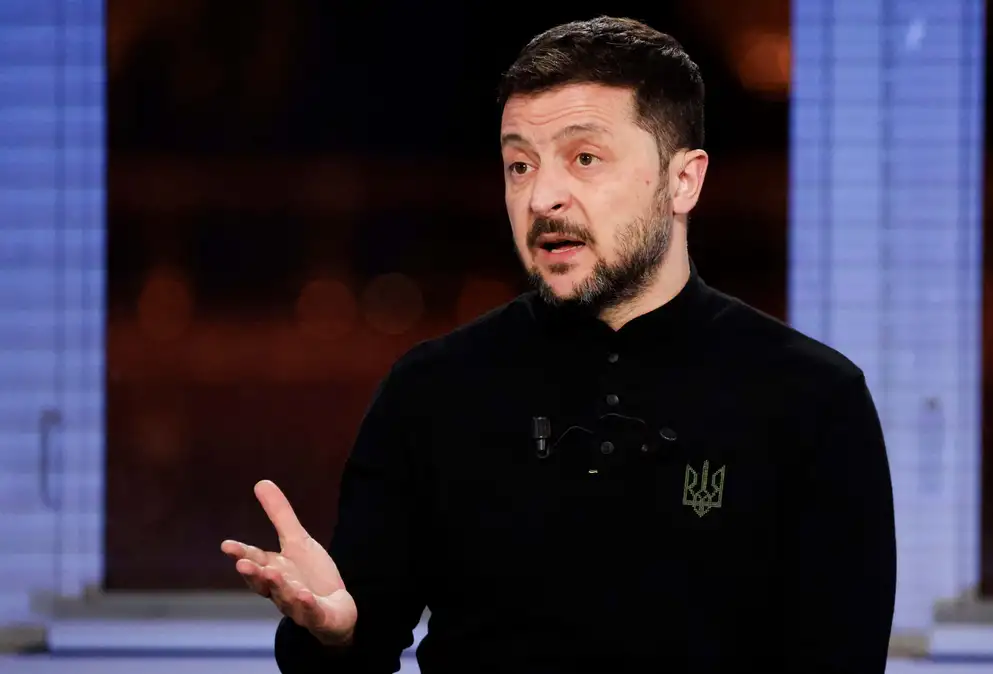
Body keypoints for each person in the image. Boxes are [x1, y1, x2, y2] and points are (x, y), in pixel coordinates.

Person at [221, 16, 896, 674]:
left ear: (682, 181)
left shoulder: (813, 399)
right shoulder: (432, 390)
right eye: (519, 165)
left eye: (584, 158)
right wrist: (334, 635)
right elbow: (350, 646)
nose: (542, 196)